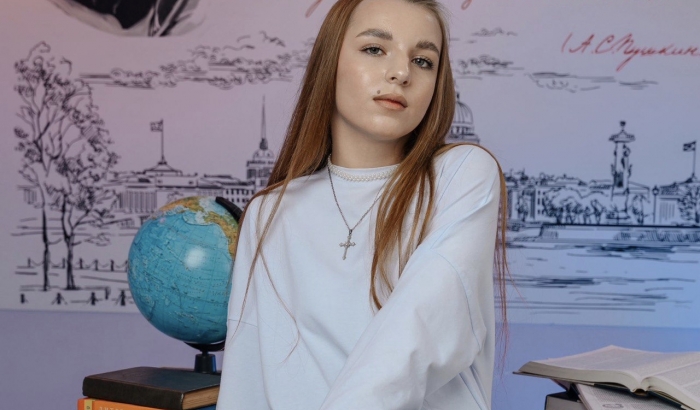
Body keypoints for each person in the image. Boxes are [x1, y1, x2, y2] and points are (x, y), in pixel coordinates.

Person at [217, 0, 509, 408]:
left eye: (423, 61)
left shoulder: (461, 174)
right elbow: (246, 384)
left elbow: (421, 332)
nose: (401, 72)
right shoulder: (270, 212)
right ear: (329, 63)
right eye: (375, 49)